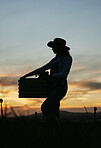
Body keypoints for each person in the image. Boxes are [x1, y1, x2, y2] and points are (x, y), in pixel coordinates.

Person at [21, 38, 72, 126]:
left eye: (54, 47)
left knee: (45, 107)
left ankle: (56, 126)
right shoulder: (54, 60)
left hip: (60, 87)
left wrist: (49, 76)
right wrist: (26, 75)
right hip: (52, 87)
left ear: (60, 47)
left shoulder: (67, 58)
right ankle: (55, 132)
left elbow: (63, 74)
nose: (52, 49)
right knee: (54, 110)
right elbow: (42, 69)